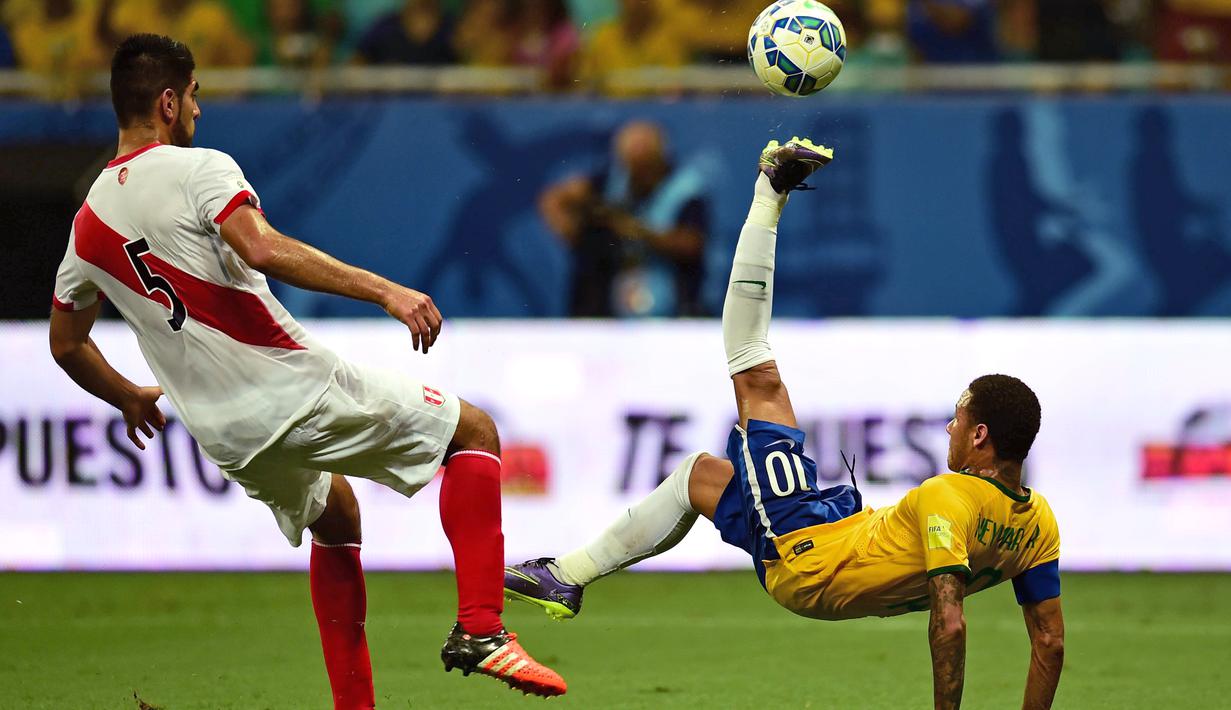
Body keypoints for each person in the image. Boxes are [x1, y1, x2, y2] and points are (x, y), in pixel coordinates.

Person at [47, 34, 565, 708]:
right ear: (168, 102)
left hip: (224, 436)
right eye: (195, 96)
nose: (199, 111)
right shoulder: (198, 167)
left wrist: (126, 396)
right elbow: (260, 249)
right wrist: (387, 291)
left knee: (337, 516)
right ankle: (481, 630)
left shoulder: (87, 225)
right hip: (288, 388)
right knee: (473, 431)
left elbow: (66, 343)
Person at [506, 139, 1065, 709]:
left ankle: (768, 193)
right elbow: (1049, 642)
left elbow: (950, 623)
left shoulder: (952, 496)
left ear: (979, 436)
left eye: (957, 418)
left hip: (809, 556)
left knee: (756, 375)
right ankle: (566, 575)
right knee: (701, 478)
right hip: (835, 531)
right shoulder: (1039, 522)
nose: (947, 428)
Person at [539, 120, 710, 317]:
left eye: (645, 164)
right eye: (632, 163)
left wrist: (639, 232)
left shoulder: (685, 189)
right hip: (610, 300)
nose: (638, 172)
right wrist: (572, 234)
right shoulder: (609, 182)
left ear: (661, 157)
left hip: (668, 299)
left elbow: (692, 244)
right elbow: (554, 198)